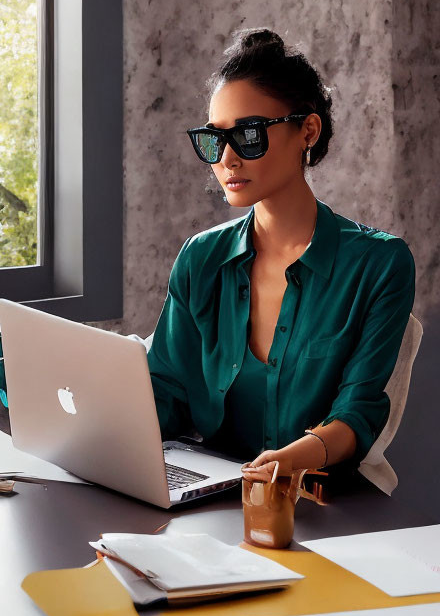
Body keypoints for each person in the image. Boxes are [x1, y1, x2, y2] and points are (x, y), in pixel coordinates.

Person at [146, 28, 416, 484]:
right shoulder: (200, 259)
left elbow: (358, 412)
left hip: (323, 502)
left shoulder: (379, 265)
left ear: (307, 130)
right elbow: (166, 394)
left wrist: (292, 459)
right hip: (215, 499)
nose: (228, 159)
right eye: (215, 140)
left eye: (249, 135)